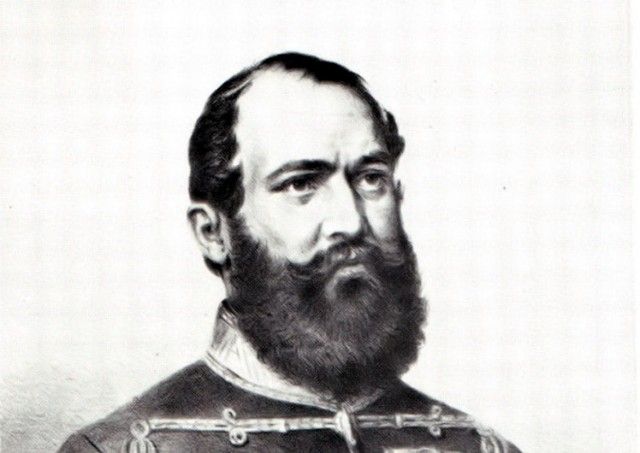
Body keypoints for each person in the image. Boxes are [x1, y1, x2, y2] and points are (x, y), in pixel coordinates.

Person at [59, 53, 520, 453]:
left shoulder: (478, 447)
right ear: (213, 233)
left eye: (370, 178)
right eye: (301, 184)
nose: (351, 222)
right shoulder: (125, 449)